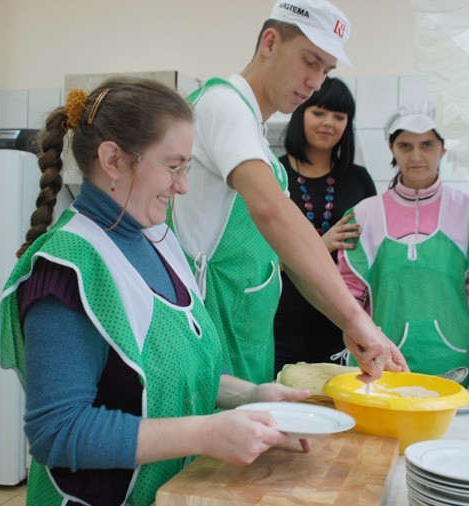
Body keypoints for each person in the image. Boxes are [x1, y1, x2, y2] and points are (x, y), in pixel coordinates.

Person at [0, 77, 315, 506]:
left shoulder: (160, 241)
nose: (183, 186)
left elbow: (171, 370)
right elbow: (59, 431)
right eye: (174, 166)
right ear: (113, 159)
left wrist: (252, 395)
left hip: (161, 501)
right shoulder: (66, 267)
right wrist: (205, 434)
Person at [171, 0, 408, 385]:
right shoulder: (224, 105)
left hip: (244, 330)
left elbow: (292, 260)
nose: (316, 82)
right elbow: (272, 212)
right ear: (270, 42)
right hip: (212, 325)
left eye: (326, 70)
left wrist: (345, 323)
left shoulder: (254, 133)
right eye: (309, 61)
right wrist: (356, 317)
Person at [338, 101, 469, 388]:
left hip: (457, 368)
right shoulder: (364, 215)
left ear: (443, 149)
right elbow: (347, 300)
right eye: (405, 146)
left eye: (427, 144)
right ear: (392, 148)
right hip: (382, 366)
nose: (416, 156)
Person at [274, 77, 377, 373]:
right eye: (318, 112)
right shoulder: (273, 174)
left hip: (340, 326)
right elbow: (257, 261)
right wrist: (322, 245)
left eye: (339, 116)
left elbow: (372, 255)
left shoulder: (359, 180)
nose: (328, 123)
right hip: (278, 324)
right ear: (300, 114)